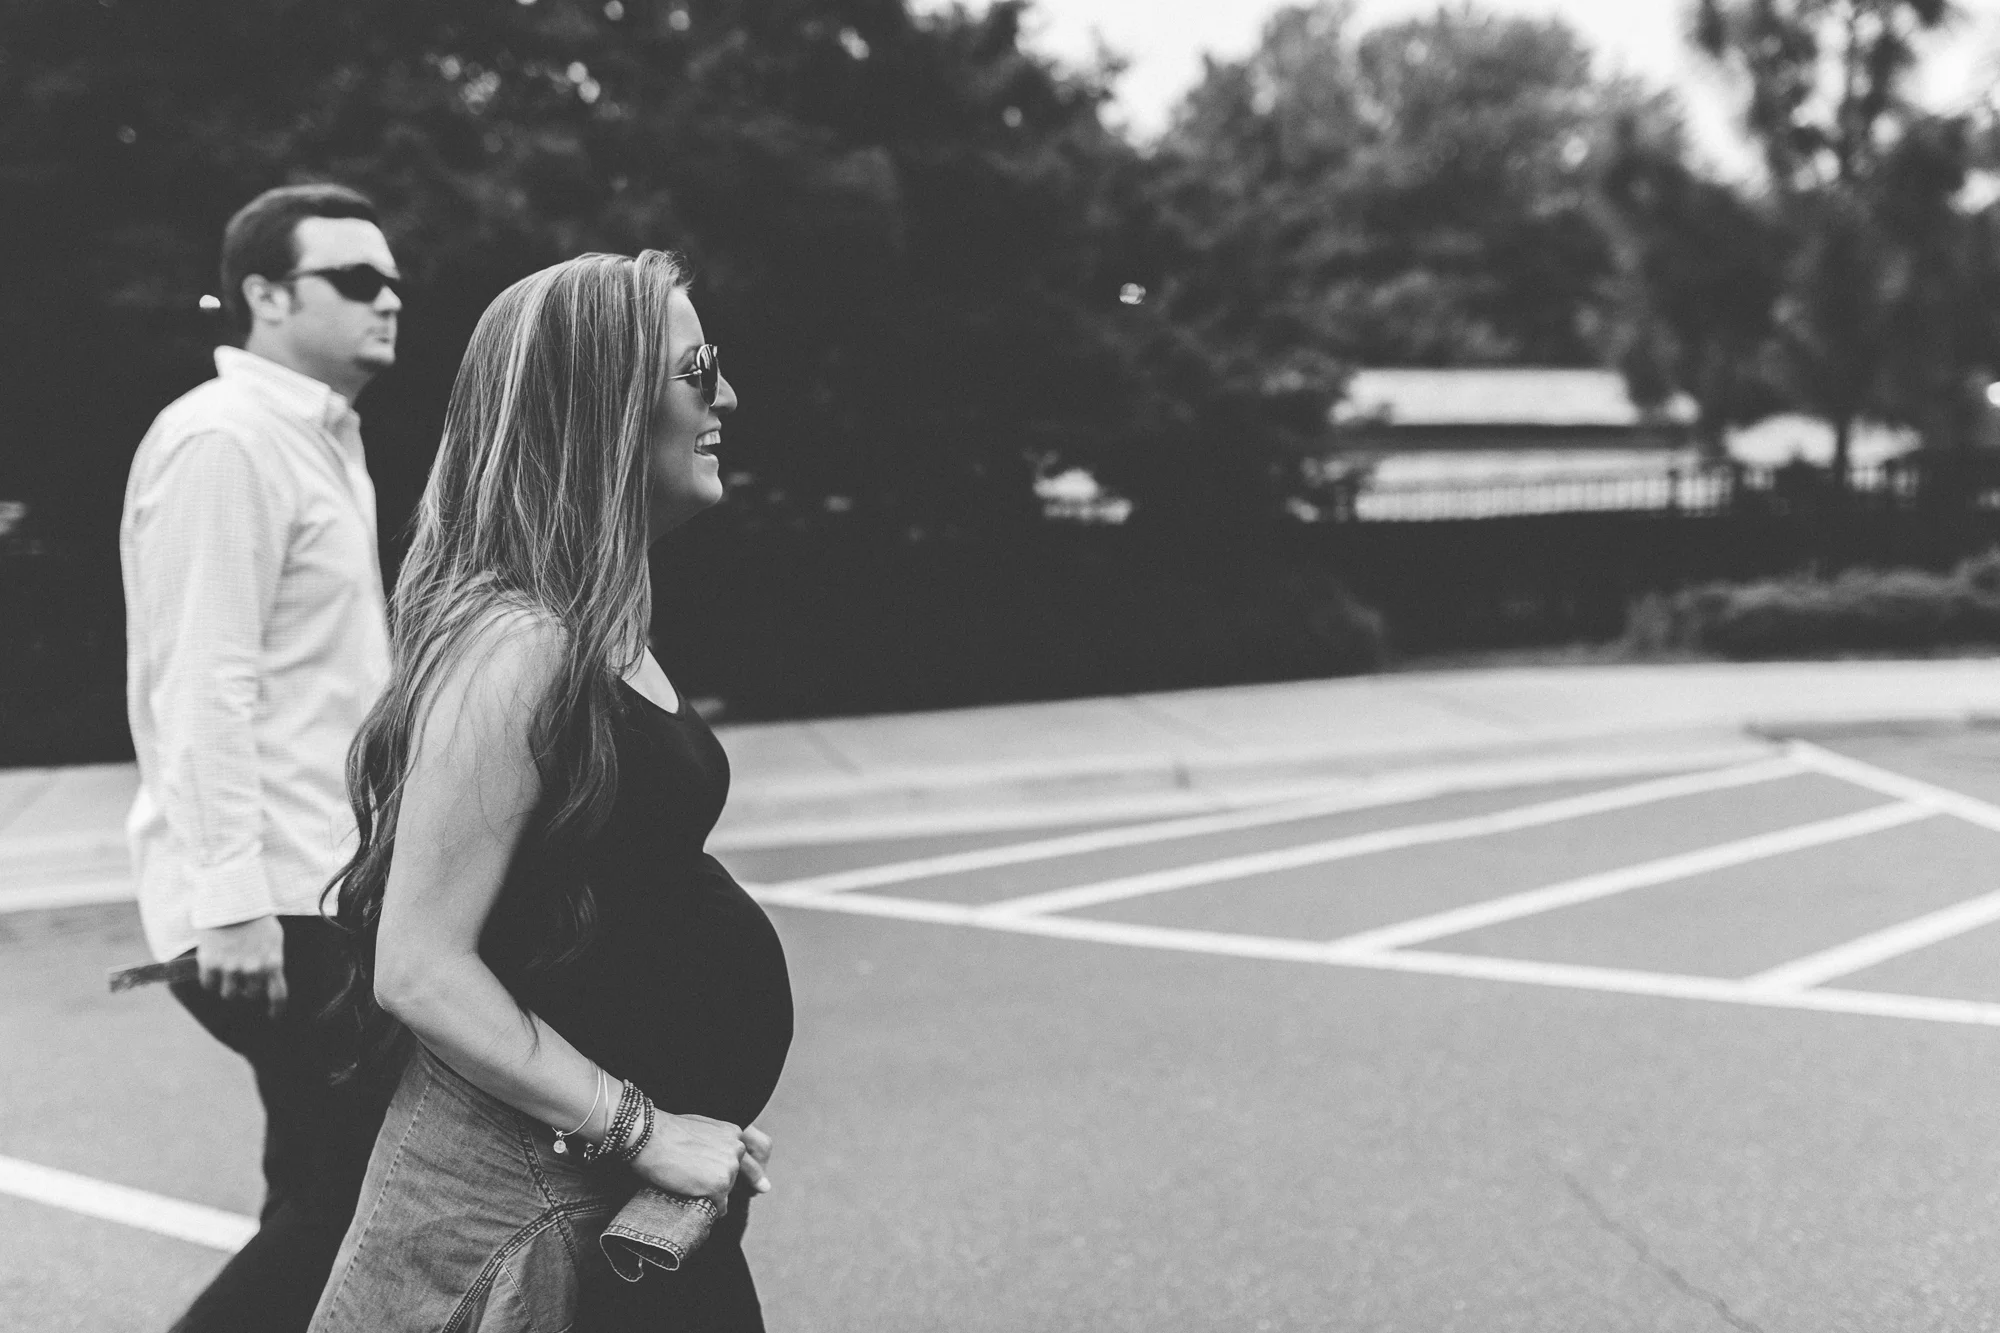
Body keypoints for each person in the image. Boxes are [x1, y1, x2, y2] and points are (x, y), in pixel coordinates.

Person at [309, 249, 793, 1332]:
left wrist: (691, 1110)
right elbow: (421, 963)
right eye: (695, 370)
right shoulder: (516, 644)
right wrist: (641, 1126)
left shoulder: (593, 618)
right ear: (601, 408)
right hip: (525, 1213)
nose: (724, 396)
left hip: (620, 1195)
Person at [119, 182, 404, 1332]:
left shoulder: (322, 443)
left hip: (326, 886)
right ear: (266, 295)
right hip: (271, 902)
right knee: (351, 1203)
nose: (390, 298)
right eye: (356, 278)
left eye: (393, 279)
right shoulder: (224, 441)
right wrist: (230, 900)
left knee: (321, 1190)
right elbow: (202, 680)